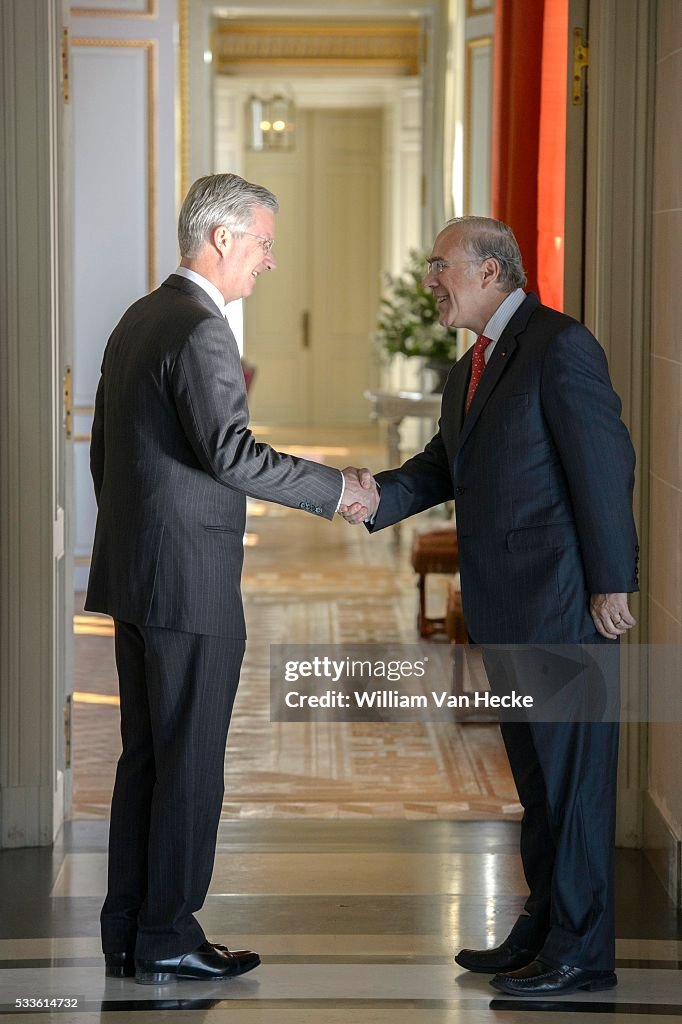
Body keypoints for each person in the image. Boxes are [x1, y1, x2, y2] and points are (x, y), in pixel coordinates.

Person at [341, 216, 639, 997]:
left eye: (440, 264)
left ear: (489, 270)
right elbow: (444, 468)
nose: (430, 279)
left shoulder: (559, 346)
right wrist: (367, 497)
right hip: (508, 609)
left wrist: (614, 582)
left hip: (566, 606)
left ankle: (582, 953)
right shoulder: (469, 369)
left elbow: (605, 468)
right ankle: (544, 927)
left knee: (574, 787)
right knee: (539, 786)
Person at [86, 173, 371, 985]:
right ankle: (170, 934)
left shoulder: (140, 317)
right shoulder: (202, 328)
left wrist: (143, 542)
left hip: (140, 577)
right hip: (189, 584)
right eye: (264, 243)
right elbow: (232, 455)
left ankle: (131, 930)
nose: (269, 261)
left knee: (147, 756)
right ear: (221, 239)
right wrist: (337, 490)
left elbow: (109, 453)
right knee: (189, 762)